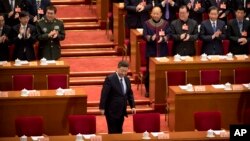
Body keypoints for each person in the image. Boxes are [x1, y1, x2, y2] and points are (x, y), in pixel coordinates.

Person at [99, 60, 136, 134]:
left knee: (119, 130)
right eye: (122, 71)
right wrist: (102, 107)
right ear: (117, 68)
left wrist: (133, 106)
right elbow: (104, 94)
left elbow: (129, 94)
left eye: (125, 71)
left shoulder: (127, 79)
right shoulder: (110, 79)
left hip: (122, 110)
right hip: (111, 110)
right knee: (112, 131)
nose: (123, 73)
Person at [143, 6, 170, 97]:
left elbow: (169, 34)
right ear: (151, 14)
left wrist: (163, 39)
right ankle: (148, 90)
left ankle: (162, 90)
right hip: (151, 51)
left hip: (162, 51)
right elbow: (145, 35)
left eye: (157, 13)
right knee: (149, 72)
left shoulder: (165, 23)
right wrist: (151, 38)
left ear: (161, 14)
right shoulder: (146, 23)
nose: (155, 15)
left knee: (162, 71)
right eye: (154, 13)